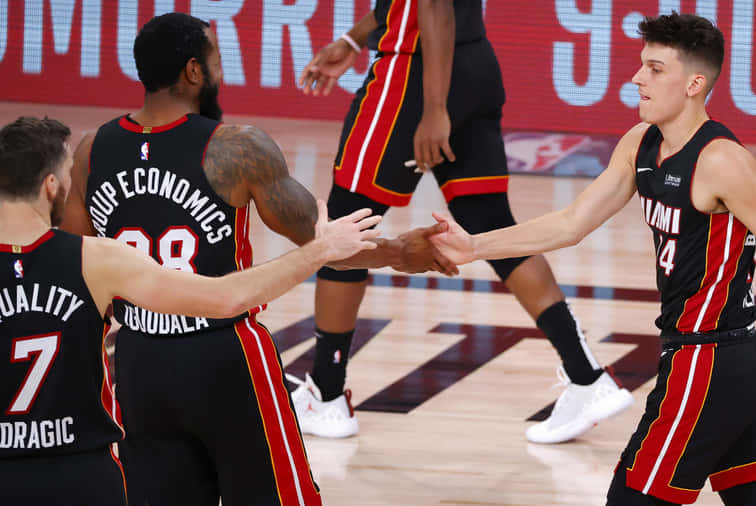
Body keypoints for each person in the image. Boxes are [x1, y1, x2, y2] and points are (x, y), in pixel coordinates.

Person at [429, 12, 756, 505]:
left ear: (694, 83)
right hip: (724, 366)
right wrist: (475, 247)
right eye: (640, 65)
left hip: (707, 365)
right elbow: (570, 224)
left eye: (654, 68)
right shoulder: (640, 143)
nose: (636, 78)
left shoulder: (722, 161)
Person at [58, 12, 447, 506]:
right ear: (194, 71)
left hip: (137, 364)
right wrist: (400, 252)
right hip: (225, 357)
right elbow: (324, 242)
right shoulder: (236, 149)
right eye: (216, 57)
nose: (222, 68)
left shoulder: (94, 151)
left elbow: (71, 267)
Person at [293, 0, 633, 443]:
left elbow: (433, 4)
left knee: (345, 227)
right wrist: (353, 40)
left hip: (416, 75)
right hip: (473, 64)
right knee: (491, 225)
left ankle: (328, 395)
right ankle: (587, 376)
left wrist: (434, 108)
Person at [0, 116, 381, 505]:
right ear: (50, 186)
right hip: (82, 474)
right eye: (66, 173)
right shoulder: (91, 262)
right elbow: (225, 298)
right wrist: (320, 251)